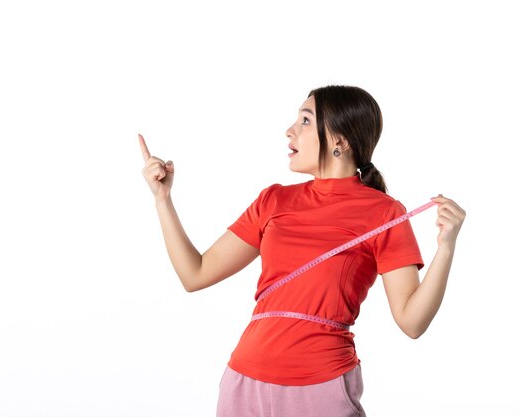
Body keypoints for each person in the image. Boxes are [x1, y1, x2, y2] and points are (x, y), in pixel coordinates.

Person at [138, 85, 466, 417]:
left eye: (305, 121)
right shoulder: (274, 200)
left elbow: (412, 322)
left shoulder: (385, 213)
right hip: (243, 380)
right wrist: (162, 200)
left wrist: (446, 248)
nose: (290, 131)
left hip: (321, 387)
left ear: (339, 140)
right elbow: (195, 274)